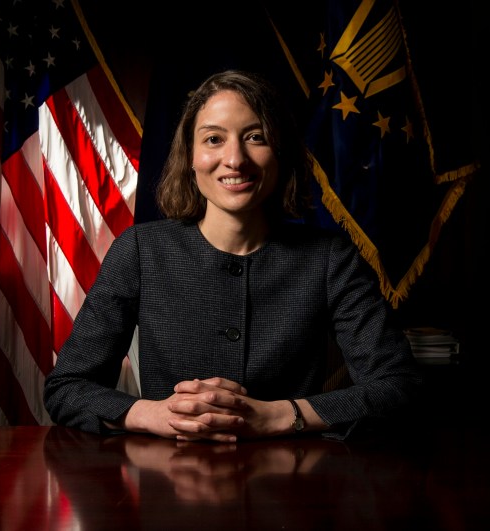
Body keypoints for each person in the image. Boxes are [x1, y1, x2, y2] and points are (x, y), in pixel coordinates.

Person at [44, 69, 421, 442]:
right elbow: (66, 388)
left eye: (255, 137)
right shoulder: (140, 250)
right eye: (213, 139)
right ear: (190, 157)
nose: (235, 159)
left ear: (281, 152)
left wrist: (282, 415)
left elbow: (398, 386)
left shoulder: (329, 258)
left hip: (294, 487)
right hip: (167, 487)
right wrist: (154, 415)